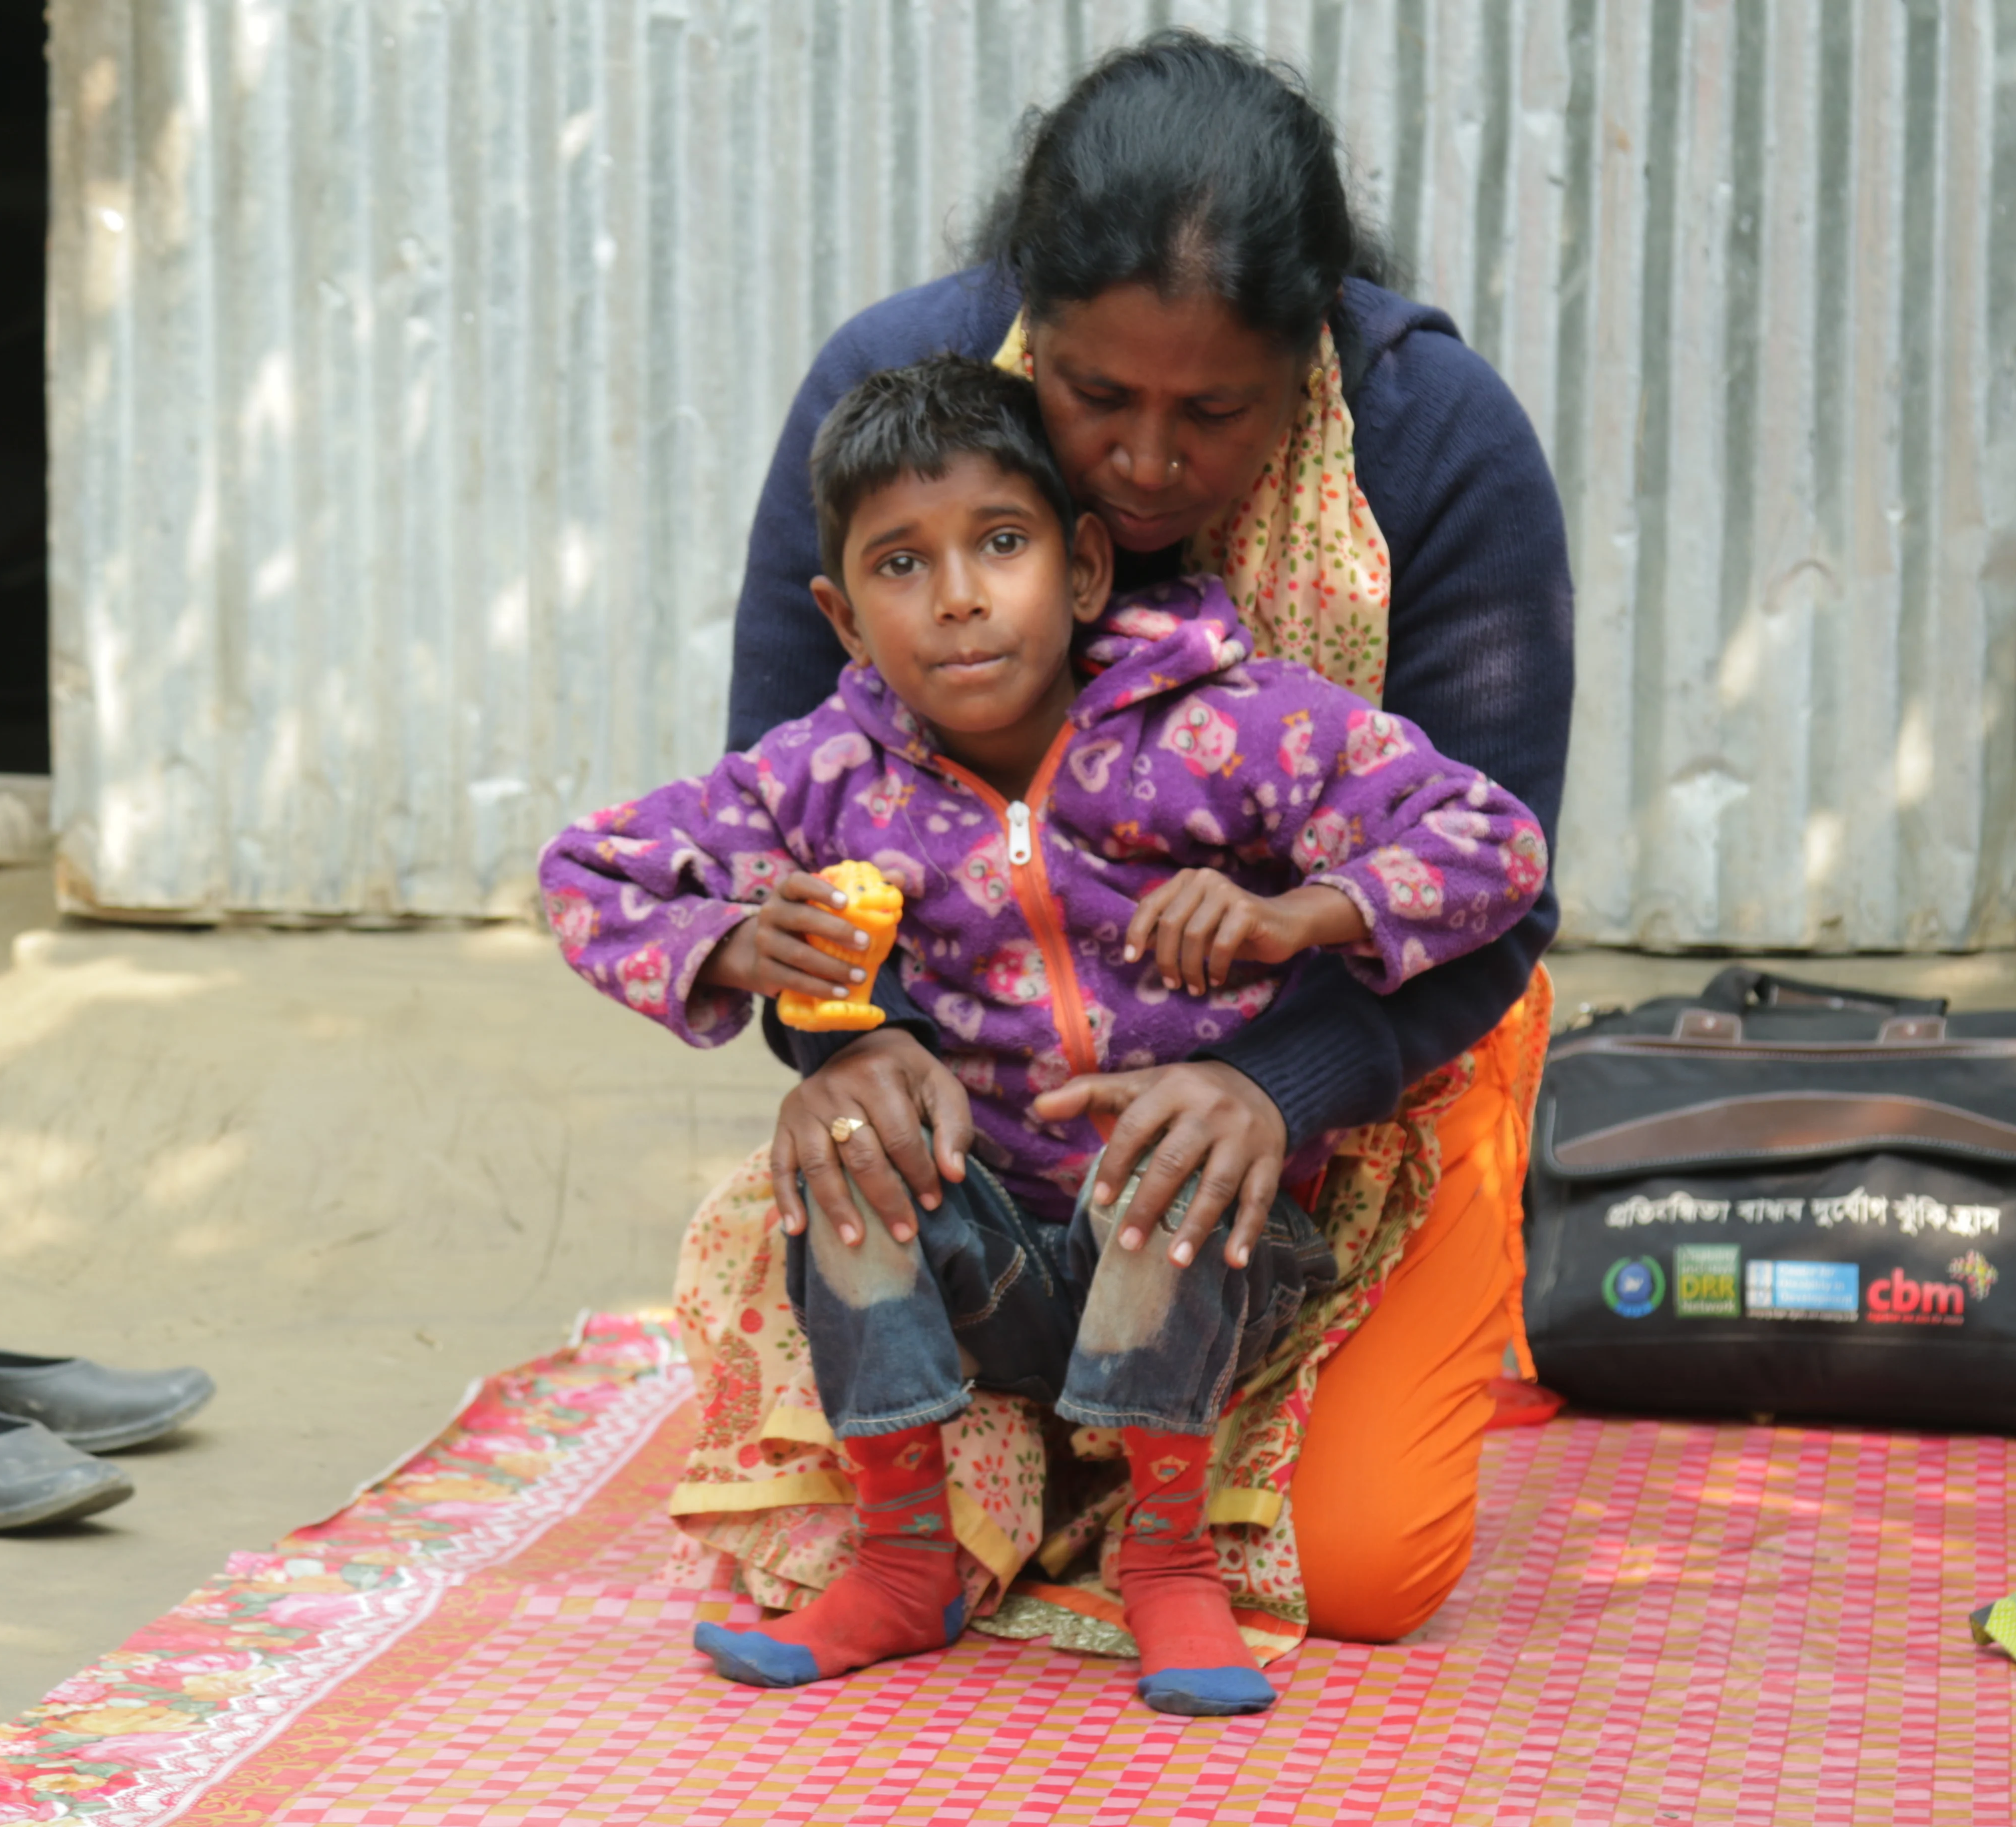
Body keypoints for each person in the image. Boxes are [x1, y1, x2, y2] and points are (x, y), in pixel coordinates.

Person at [675, 30, 1574, 1653]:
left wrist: (1273, 1084)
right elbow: (780, 816)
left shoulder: (1439, 441)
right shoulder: (893, 402)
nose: (1152, 464)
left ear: (1310, 350)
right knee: (858, 1525)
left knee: (1359, 1571)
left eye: (1216, 414)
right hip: (996, 1124)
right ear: (1029, 334)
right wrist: (845, 1046)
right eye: (1095, 400)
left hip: (1379, 1075)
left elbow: (1502, 888)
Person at [542, 355, 1545, 1713]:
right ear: (842, 616)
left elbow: (1496, 842)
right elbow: (590, 872)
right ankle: (904, 1566)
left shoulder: (1225, 732)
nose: (956, 596)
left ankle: (1172, 1562)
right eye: (903, 565)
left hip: (1217, 1267)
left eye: (999, 545)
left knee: (1165, 1154)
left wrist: (1296, 915)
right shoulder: (826, 778)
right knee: (846, 1154)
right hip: (994, 1262)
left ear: (1081, 570)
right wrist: (726, 944)